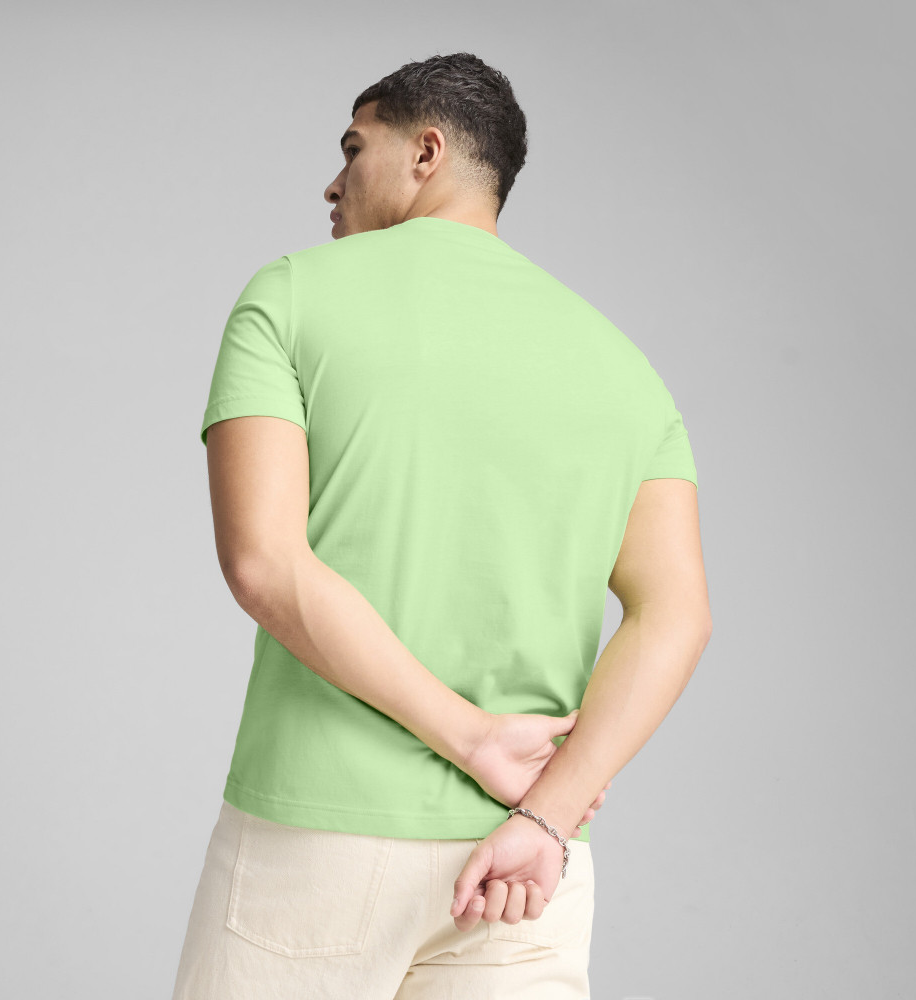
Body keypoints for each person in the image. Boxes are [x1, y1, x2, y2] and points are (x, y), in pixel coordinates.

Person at [171, 51, 712, 1000]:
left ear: (426, 152)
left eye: (353, 148)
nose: (332, 182)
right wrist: (549, 814)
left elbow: (263, 562)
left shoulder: (289, 296)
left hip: (318, 834)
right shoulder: (623, 366)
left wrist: (472, 738)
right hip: (524, 863)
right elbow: (677, 615)